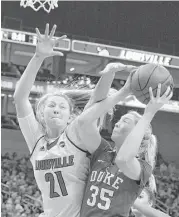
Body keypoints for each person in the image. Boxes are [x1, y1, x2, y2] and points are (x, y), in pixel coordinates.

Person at [13, 23, 135, 217]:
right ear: (41, 114)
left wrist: (111, 75)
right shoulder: (37, 142)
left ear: (70, 116)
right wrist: (38, 57)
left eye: (62, 107)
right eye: (51, 106)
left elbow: (95, 101)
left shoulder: (75, 136)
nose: (56, 109)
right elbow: (20, 99)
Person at [79, 71, 173, 217]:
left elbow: (123, 159)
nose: (117, 123)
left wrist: (148, 114)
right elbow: (84, 123)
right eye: (120, 119)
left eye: (125, 121)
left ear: (137, 134)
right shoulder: (103, 151)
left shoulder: (143, 168)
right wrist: (124, 92)